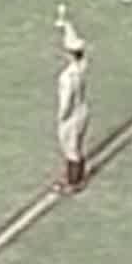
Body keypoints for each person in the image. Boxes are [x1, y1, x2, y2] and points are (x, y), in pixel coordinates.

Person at [55, 16, 90, 193]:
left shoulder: (68, 76)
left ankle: (74, 181)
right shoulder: (81, 66)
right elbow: (77, 46)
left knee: (70, 148)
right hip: (82, 110)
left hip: (71, 115)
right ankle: (75, 177)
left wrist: (62, 116)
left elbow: (66, 100)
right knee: (76, 145)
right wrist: (67, 26)